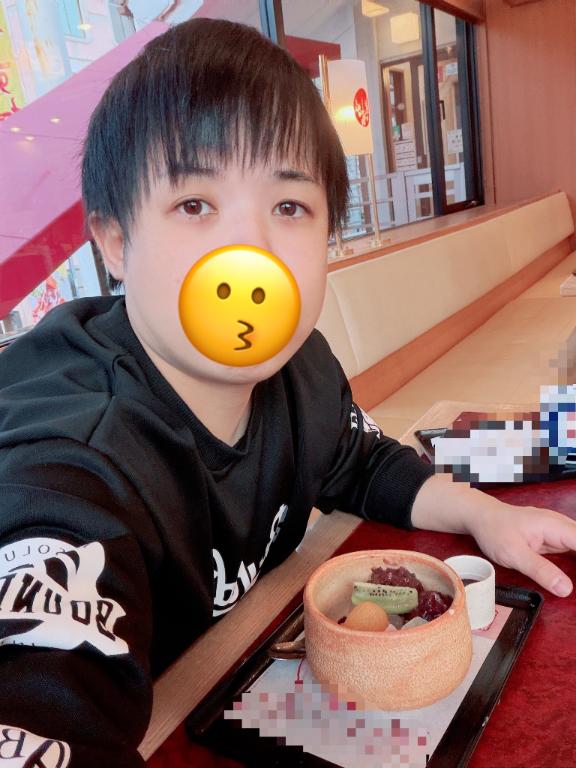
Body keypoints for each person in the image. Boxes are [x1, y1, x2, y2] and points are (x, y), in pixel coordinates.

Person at [0, 17, 574, 768]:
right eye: (195, 204)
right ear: (114, 241)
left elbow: (362, 463)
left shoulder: (300, 369)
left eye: (289, 207)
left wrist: (481, 513)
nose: (252, 253)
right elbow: (37, 685)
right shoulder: (72, 457)